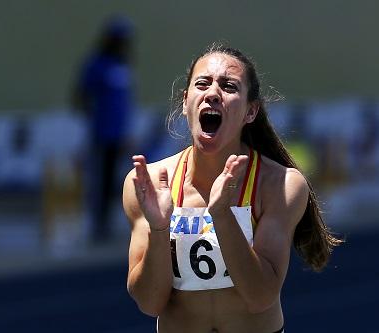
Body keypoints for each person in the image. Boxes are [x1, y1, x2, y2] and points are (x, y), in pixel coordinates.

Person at [122, 43, 342, 333]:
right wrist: (160, 228)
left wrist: (222, 215)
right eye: (202, 84)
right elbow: (150, 303)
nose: (212, 93)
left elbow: (260, 296)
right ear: (186, 102)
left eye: (228, 86)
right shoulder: (148, 184)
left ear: (251, 112)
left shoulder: (279, 185)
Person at [73, 15, 135, 243]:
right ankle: (98, 224)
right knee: (99, 179)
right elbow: (81, 95)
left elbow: (125, 101)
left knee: (116, 179)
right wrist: (94, 118)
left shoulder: (124, 65)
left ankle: (109, 221)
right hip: (102, 133)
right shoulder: (97, 64)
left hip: (120, 134)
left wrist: (127, 129)